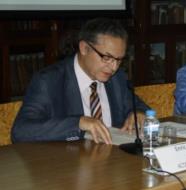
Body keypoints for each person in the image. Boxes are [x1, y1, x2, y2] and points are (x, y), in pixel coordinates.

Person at [11, 18, 149, 144]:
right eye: (106, 58)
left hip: (113, 162)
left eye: (119, 60)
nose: (113, 67)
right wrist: (78, 123)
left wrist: (139, 114)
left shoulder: (117, 78)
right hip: (68, 165)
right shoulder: (49, 81)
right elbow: (21, 131)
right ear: (84, 48)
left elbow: (141, 108)